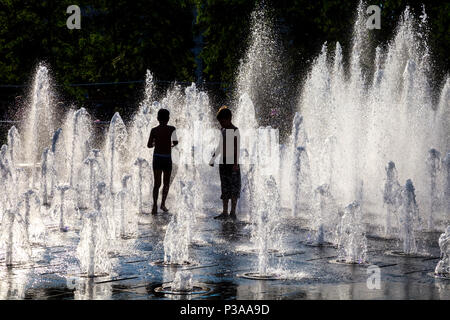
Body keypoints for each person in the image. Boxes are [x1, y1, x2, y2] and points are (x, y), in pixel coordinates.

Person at [209, 106, 241, 220]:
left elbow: (237, 148)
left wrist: (236, 164)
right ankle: (224, 212)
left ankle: (232, 212)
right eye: (219, 122)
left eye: (222, 121)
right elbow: (220, 145)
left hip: (233, 163)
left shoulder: (234, 130)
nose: (221, 123)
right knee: (225, 188)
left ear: (229, 119)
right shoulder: (223, 130)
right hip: (223, 163)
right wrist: (213, 157)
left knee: (233, 189)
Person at [147, 109, 178, 215]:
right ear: (168, 118)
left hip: (157, 158)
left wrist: (157, 143)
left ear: (157, 118)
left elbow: (149, 145)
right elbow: (176, 142)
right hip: (167, 158)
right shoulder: (172, 129)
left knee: (157, 183)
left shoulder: (154, 130)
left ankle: (154, 205)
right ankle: (163, 204)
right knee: (166, 183)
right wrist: (169, 145)